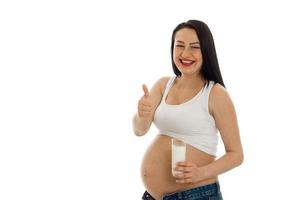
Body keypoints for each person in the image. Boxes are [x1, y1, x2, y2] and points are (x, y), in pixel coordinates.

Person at [132, 20, 243, 200]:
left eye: (194, 47)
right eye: (180, 46)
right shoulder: (162, 85)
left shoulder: (216, 94)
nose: (185, 53)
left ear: (206, 51)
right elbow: (139, 130)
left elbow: (236, 155)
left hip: (196, 195)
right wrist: (142, 114)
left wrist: (201, 172)